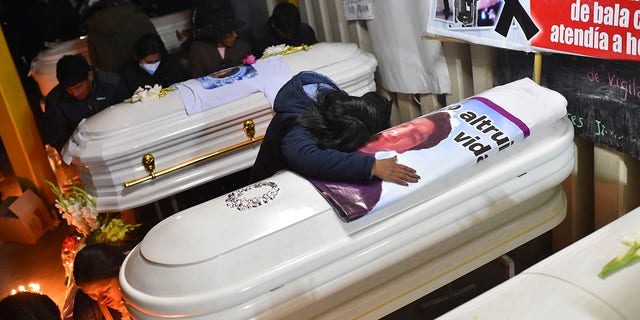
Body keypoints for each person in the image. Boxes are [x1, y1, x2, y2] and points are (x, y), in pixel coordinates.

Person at [250, 71, 419, 186]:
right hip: (270, 185)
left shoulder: (338, 102)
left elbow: (377, 104)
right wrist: (372, 166)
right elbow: (307, 157)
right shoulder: (297, 124)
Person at [43, 54, 130, 152]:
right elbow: (59, 139)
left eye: (78, 87)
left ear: (90, 76)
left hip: (120, 141)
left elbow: (128, 117)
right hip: (84, 151)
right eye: (69, 90)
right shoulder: (55, 101)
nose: (75, 94)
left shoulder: (113, 84)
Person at [84, 0, 159, 73]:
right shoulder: (140, 18)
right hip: (146, 76)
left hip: (115, 80)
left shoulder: (94, 29)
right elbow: (158, 47)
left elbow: (96, 64)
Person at [72, 244, 130, 320]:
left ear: (121, 273)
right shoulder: (86, 308)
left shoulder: (142, 290)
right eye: (92, 295)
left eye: (106, 290)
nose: (101, 300)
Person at [119, 33, 190, 93]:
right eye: (148, 62)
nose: (153, 65)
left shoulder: (171, 62)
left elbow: (185, 85)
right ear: (137, 57)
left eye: (156, 61)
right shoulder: (129, 74)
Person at [252, 2, 318, 57]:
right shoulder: (260, 39)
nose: (289, 36)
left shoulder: (305, 32)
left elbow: (316, 54)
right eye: (285, 33)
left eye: (293, 32)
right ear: (273, 25)